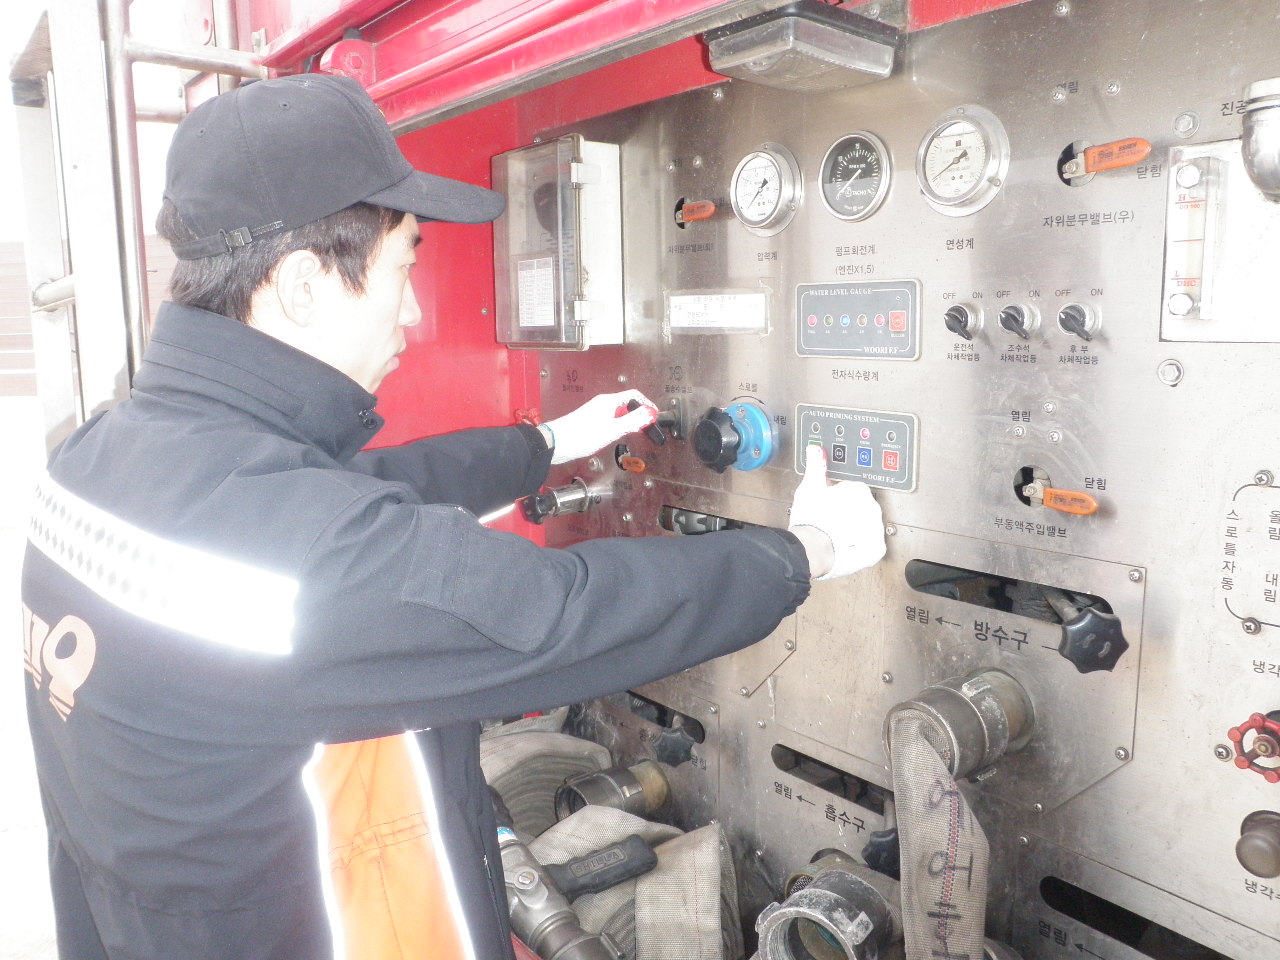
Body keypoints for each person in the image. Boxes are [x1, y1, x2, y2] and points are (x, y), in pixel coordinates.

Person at [21, 74, 886, 960]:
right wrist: (805, 552)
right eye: (405, 266)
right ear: (304, 285)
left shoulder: (98, 463)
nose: (416, 308)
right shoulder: (295, 558)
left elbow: (357, 498)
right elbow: (561, 614)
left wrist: (545, 443)